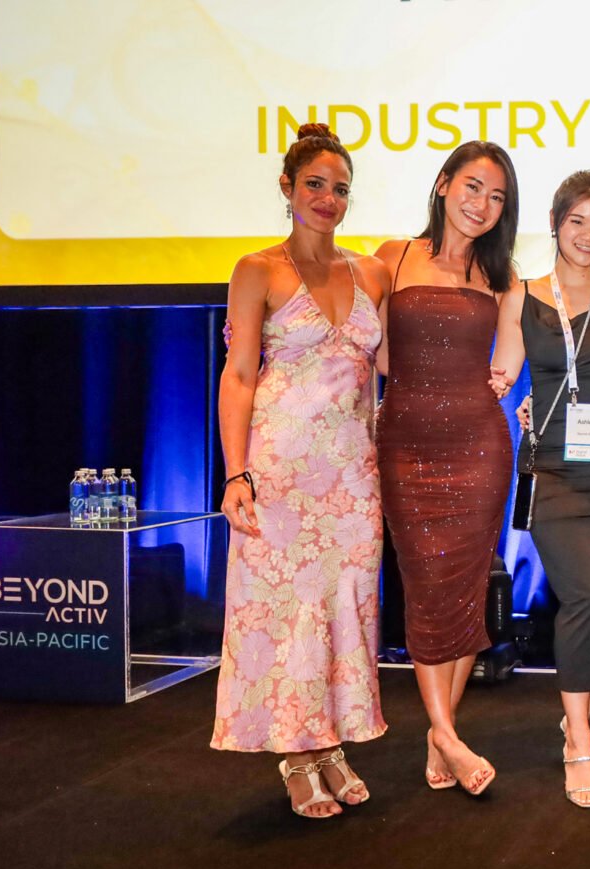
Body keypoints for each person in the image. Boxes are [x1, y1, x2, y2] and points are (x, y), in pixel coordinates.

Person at [212, 122, 390, 819]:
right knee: (289, 615)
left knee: (344, 609)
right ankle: (297, 753)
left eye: (340, 188)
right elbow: (237, 375)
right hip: (281, 470)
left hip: (352, 476)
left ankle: (331, 742)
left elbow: (387, 374)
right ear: (287, 187)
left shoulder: (372, 272)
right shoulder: (257, 270)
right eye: (315, 184)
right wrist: (236, 473)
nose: (328, 198)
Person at [490, 170, 590, 809]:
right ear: (556, 224)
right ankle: (581, 740)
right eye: (578, 221)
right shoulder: (521, 296)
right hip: (553, 470)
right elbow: (501, 373)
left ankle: (575, 719)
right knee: (585, 594)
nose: (589, 235)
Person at [373, 141, 518, 797]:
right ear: (441, 184)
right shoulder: (391, 258)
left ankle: (444, 735)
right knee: (427, 588)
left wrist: (500, 382)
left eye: (497, 196)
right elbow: (372, 351)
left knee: (463, 590)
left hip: (478, 448)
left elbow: (506, 362)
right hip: (407, 447)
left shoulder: (502, 276)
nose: (482, 204)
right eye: (473, 187)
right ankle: (446, 735)